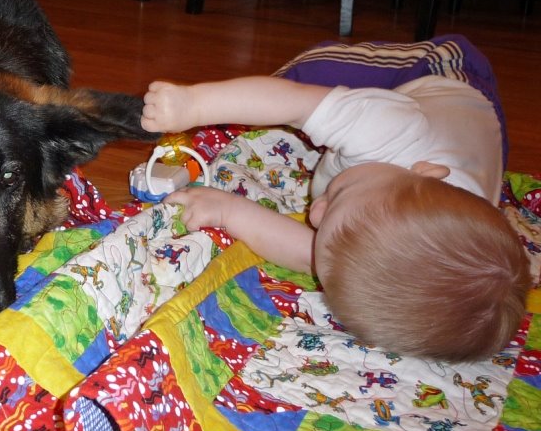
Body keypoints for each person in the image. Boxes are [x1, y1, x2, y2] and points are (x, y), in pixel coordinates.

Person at [141, 36, 531, 362]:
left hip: (479, 138)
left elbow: (311, 254)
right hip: (438, 73)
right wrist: (194, 105)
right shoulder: (391, 129)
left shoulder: (414, 226)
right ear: (422, 172)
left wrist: (229, 210)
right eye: (339, 195)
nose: (314, 214)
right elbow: (294, 103)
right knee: (310, 73)